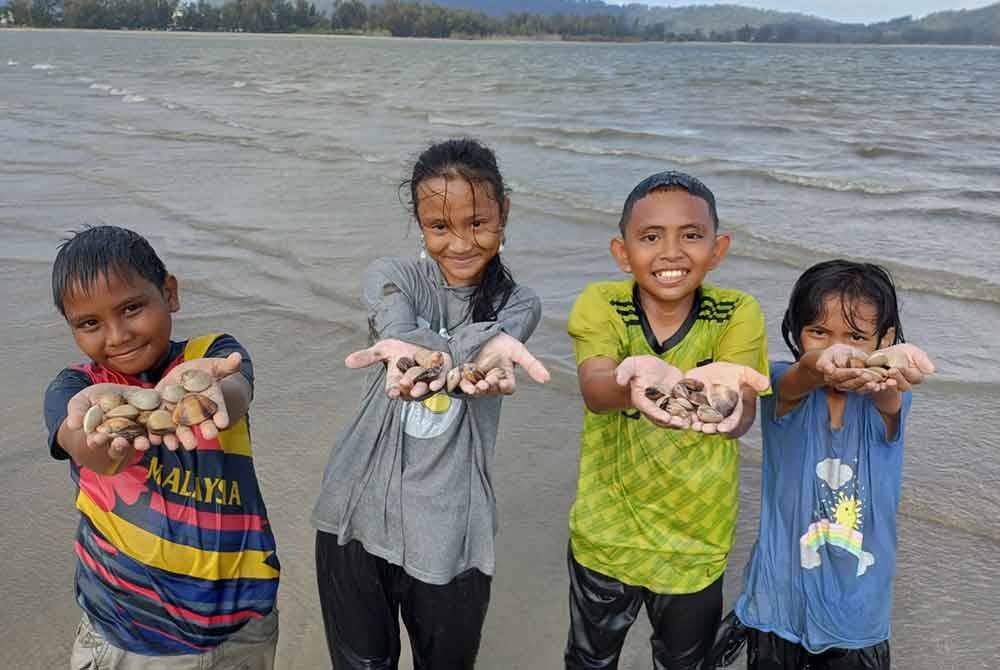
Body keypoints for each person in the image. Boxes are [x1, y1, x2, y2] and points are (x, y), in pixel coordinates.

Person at [311, 137, 550, 670]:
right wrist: (449, 346)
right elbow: (395, 321)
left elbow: (496, 342)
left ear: (503, 213)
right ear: (419, 224)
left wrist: (448, 347)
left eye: (478, 223)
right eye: (440, 227)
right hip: (355, 510)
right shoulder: (394, 276)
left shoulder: (519, 303)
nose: (460, 243)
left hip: (451, 531)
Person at [43, 226, 280, 669]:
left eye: (132, 308)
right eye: (89, 323)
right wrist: (110, 434)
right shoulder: (75, 389)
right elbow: (94, 452)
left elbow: (234, 392)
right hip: (128, 633)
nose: (117, 336)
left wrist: (206, 395)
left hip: (241, 629)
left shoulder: (212, 353)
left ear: (169, 293)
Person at [564, 170, 773, 670]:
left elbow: (742, 413)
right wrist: (635, 384)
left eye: (692, 236)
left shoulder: (737, 312)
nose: (672, 253)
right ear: (622, 251)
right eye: (651, 237)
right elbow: (595, 389)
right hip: (606, 534)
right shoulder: (603, 303)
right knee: (589, 659)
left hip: (695, 541)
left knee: (686, 662)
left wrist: (726, 399)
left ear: (718, 249)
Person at [715, 260, 934, 670]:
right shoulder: (781, 384)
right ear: (796, 331)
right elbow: (800, 375)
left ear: (883, 338)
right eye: (819, 332)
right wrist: (823, 360)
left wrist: (886, 364)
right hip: (777, 601)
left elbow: (889, 397)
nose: (840, 346)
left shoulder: (891, 397)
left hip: (857, 609)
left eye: (857, 336)